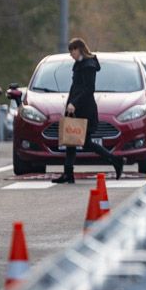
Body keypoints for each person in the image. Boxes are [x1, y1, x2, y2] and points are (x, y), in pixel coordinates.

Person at [53, 38, 124, 184]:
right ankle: (68, 174)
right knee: (70, 141)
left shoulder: (88, 65)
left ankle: (116, 160)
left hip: (85, 109)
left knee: (85, 143)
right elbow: (75, 87)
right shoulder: (79, 64)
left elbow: (88, 89)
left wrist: (74, 103)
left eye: (72, 50)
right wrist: (69, 103)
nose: (71, 54)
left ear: (79, 49)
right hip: (75, 107)